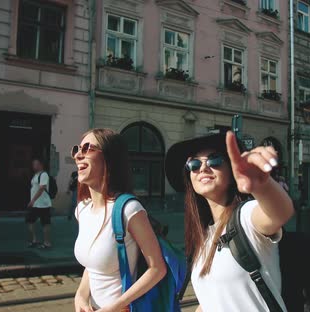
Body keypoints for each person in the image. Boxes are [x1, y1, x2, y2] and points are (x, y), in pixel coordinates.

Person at [165, 132, 294, 312]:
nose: (202, 168)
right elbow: (212, 298)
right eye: (194, 164)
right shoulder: (203, 235)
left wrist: (261, 185)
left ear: (231, 170)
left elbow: (280, 213)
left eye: (214, 161)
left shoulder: (245, 217)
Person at [72, 128, 166, 312]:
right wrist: (81, 296)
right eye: (77, 149)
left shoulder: (129, 209)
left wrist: (115, 307)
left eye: (88, 149)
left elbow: (157, 269)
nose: (78, 155)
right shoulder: (82, 209)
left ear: (109, 158)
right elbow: (93, 265)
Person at [26, 158, 53, 249]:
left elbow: (41, 188)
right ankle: (34, 240)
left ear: (41, 165)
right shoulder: (35, 175)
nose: (34, 166)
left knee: (45, 223)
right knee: (30, 221)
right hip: (35, 204)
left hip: (43, 204)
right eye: (33, 164)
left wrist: (32, 200)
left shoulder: (44, 174)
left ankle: (47, 243)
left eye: (36, 164)